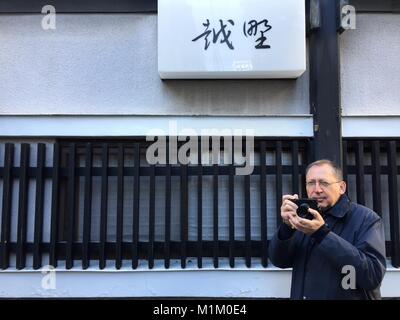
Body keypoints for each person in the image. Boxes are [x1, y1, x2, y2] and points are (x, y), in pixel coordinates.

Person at [268, 159, 386, 299]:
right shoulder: (303, 217)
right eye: (311, 183)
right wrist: (287, 227)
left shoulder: (366, 219)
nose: (317, 190)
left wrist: (321, 234)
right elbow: (279, 261)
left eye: (324, 183)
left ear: (342, 187)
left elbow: (371, 276)